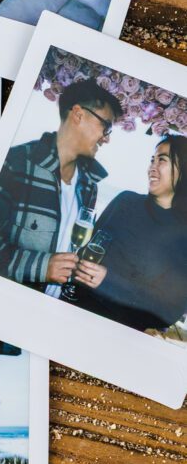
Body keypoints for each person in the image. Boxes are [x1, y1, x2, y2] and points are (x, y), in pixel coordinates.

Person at [0, 78, 124, 294]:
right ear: (78, 115)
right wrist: (41, 267)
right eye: (106, 126)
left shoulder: (89, 185)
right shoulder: (15, 163)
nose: (106, 139)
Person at [74, 134, 187, 332]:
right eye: (152, 159)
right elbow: (89, 249)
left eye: (162, 160)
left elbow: (169, 311)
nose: (152, 167)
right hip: (74, 307)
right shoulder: (125, 201)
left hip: (121, 335)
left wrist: (108, 282)